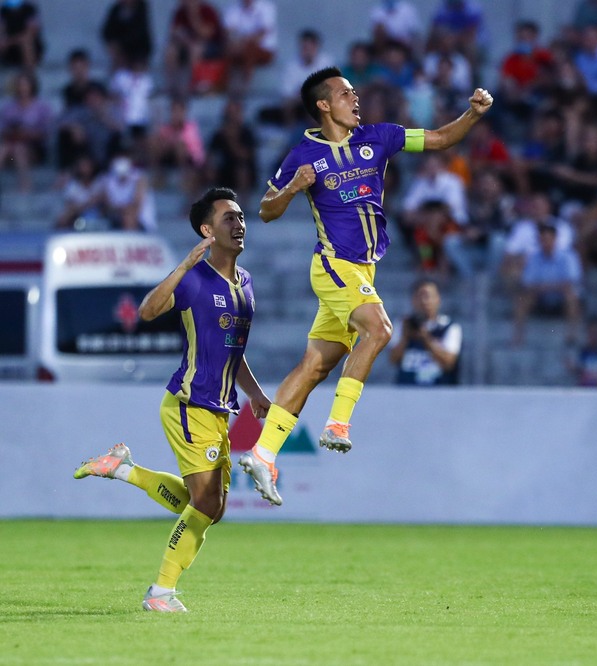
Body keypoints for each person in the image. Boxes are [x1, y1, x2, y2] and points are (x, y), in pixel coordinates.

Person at [238, 66, 492, 505]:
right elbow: (264, 211)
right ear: (323, 104)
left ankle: (262, 453)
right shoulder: (302, 155)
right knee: (380, 329)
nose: (355, 100)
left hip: (363, 270)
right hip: (335, 266)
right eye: (345, 93)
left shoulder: (381, 137)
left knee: (315, 366)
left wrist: (471, 115)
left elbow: (438, 139)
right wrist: (293, 188)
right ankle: (338, 423)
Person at [72, 187, 270, 613]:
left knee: (212, 509)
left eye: (240, 217)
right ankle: (161, 592)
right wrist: (182, 265)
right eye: (227, 219)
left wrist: (254, 394)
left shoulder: (246, 283)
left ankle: (125, 470)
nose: (239, 224)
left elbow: (232, 351)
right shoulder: (195, 279)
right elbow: (147, 311)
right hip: (188, 403)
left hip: (220, 410)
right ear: (206, 230)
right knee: (204, 503)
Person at [389, 278, 462, 385]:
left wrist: (426, 339)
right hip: (406, 391)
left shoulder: (450, 327)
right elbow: (393, 359)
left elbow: (449, 363)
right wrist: (405, 337)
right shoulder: (403, 324)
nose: (424, 301)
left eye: (428, 296)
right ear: (413, 299)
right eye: (420, 296)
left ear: (438, 299)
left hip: (439, 391)